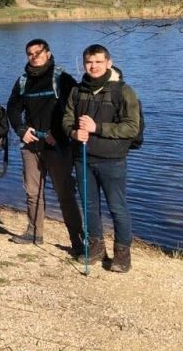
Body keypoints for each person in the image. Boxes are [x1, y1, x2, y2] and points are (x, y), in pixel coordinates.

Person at [63, 44, 141, 273]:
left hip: (112, 159)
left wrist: (97, 127)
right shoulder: (78, 91)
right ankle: (96, 246)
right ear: (84, 64)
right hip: (83, 157)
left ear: (108, 62)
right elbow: (66, 120)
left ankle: (122, 253)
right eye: (89, 62)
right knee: (89, 206)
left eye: (98, 61)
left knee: (117, 207)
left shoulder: (123, 91)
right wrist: (73, 132)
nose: (93, 66)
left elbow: (131, 128)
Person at [6, 39, 83, 252]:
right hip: (31, 145)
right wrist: (22, 130)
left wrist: (57, 134)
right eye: (30, 53)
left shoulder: (63, 79)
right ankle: (34, 232)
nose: (34, 56)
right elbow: (12, 109)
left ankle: (78, 240)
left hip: (58, 146)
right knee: (32, 192)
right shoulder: (23, 81)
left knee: (65, 193)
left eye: (38, 52)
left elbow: (74, 111)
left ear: (48, 53)